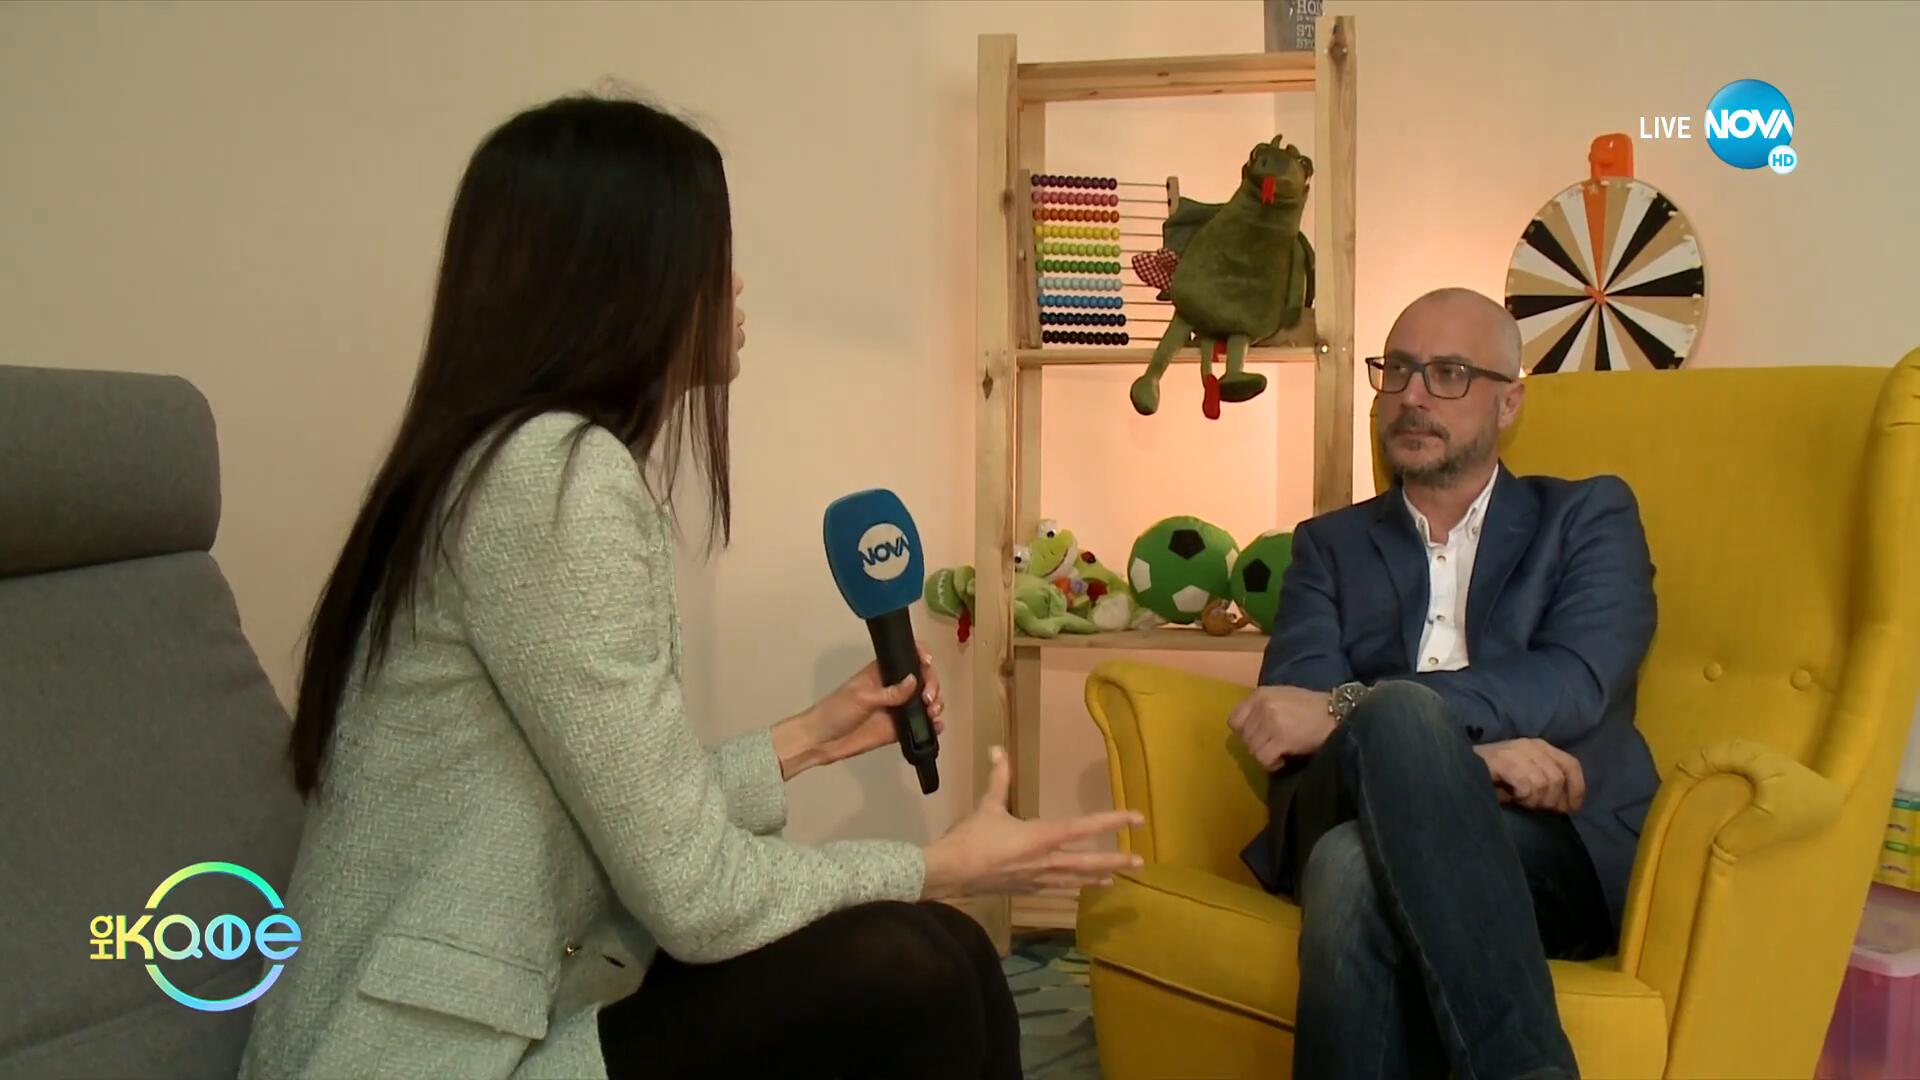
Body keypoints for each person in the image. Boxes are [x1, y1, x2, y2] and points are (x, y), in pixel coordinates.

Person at [236, 92, 1143, 1080]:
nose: (736, 285)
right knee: (910, 966)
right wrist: (939, 863)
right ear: (623, 276)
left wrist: (808, 738)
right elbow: (694, 897)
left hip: (536, 1000)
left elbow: (618, 815)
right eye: (714, 254)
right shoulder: (550, 478)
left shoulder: (506, 460)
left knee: (951, 953)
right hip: (425, 1059)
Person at [1228, 287, 1660, 1079]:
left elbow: (1577, 678)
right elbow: (1293, 714)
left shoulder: (1586, 516)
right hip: (1348, 797)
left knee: (1351, 871)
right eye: (1398, 370)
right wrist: (1465, 757)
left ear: (1509, 402)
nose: (1414, 396)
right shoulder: (1327, 547)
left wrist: (1384, 717)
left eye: (1450, 373)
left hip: (1547, 840)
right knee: (1397, 722)